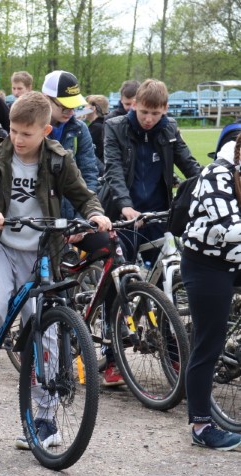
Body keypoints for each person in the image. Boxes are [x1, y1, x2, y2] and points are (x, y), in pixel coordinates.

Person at [0, 92, 111, 448]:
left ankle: (44, 419)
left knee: (45, 329)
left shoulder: (59, 159)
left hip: (42, 253)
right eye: (13, 131)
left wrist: (95, 214)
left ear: (45, 131)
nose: (17, 139)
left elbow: (83, 195)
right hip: (2, 249)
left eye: (26, 133)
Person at [102, 79, 200, 385]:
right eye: (143, 111)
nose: (148, 119)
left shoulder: (169, 130)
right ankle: (111, 356)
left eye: (155, 114)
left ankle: (172, 348)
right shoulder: (115, 127)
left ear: (165, 110)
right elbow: (113, 169)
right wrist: (125, 206)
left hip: (159, 214)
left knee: (167, 285)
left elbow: (190, 165)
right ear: (134, 105)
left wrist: (211, 187)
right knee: (119, 282)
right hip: (124, 214)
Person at [180, 138, 241, 450]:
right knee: (208, 343)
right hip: (207, 265)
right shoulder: (216, 175)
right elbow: (230, 229)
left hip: (237, 260)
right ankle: (201, 425)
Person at [41, 70, 99, 218]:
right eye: (65, 106)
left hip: (73, 216)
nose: (71, 112)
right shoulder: (30, 129)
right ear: (46, 99)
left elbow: (89, 175)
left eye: (74, 107)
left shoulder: (80, 129)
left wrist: (83, 218)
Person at [84, 94, 109, 167]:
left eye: (85, 106)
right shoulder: (105, 124)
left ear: (93, 109)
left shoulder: (95, 128)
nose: (83, 109)